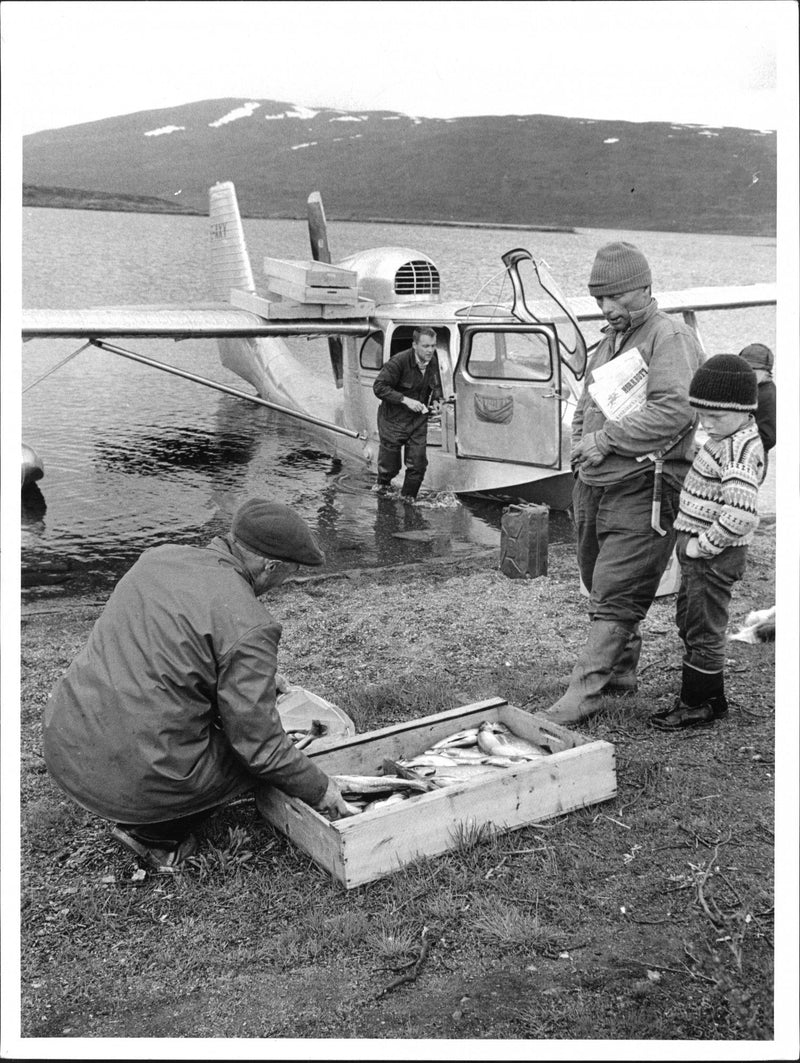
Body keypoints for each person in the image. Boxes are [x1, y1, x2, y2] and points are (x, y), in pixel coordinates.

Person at [43, 499, 353, 873]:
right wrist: (319, 788)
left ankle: (142, 801)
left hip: (67, 740)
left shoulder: (158, 557)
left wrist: (253, 680)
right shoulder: (252, 625)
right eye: (290, 571)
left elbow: (171, 653)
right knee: (249, 759)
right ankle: (155, 835)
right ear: (271, 566)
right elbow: (261, 749)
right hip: (137, 775)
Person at [544, 241, 704, 726]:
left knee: (617, 587)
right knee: (597, 579)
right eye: (599, 300)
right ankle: (621, 673)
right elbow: (586, 405)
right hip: (595, 483)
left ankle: (584, 692)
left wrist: (606, 440)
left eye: (614, 298)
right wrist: (581, 448)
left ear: (644, 288)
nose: (606, 309)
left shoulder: (669, 336)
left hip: (648, 485)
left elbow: (676, 410)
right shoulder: (610, 340)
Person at [651, 355, 764, 731]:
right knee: (691, 619)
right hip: (703, 554)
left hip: (713, 556)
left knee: (703, 627)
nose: (706, 423)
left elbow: (742, 514)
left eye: (715, 416)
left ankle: (696, 704)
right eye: (701, 414)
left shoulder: (738, 450)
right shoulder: (729, 437)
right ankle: (712, 696)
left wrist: (705, 544)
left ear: (744, 411)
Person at [372, 326, 442, 501]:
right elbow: (379, 387)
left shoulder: (433, 361)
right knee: (390, 468)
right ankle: (382, 495)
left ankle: (408, 500)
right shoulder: (398, 362)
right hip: (393, 421)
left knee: (418, 466)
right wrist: (406, 400)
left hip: (417, 422)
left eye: (433, 346)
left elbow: (436, 385)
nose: (430, 350)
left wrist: (437, 401)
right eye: (425, 346)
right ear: (414, 345)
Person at [738, 342, 776, 467]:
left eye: (753, 370)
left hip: (753, 459)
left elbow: (768, 438)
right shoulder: (752, 387)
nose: (747, 373)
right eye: (743, 368)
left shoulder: (768, 395)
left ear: (766, 372)